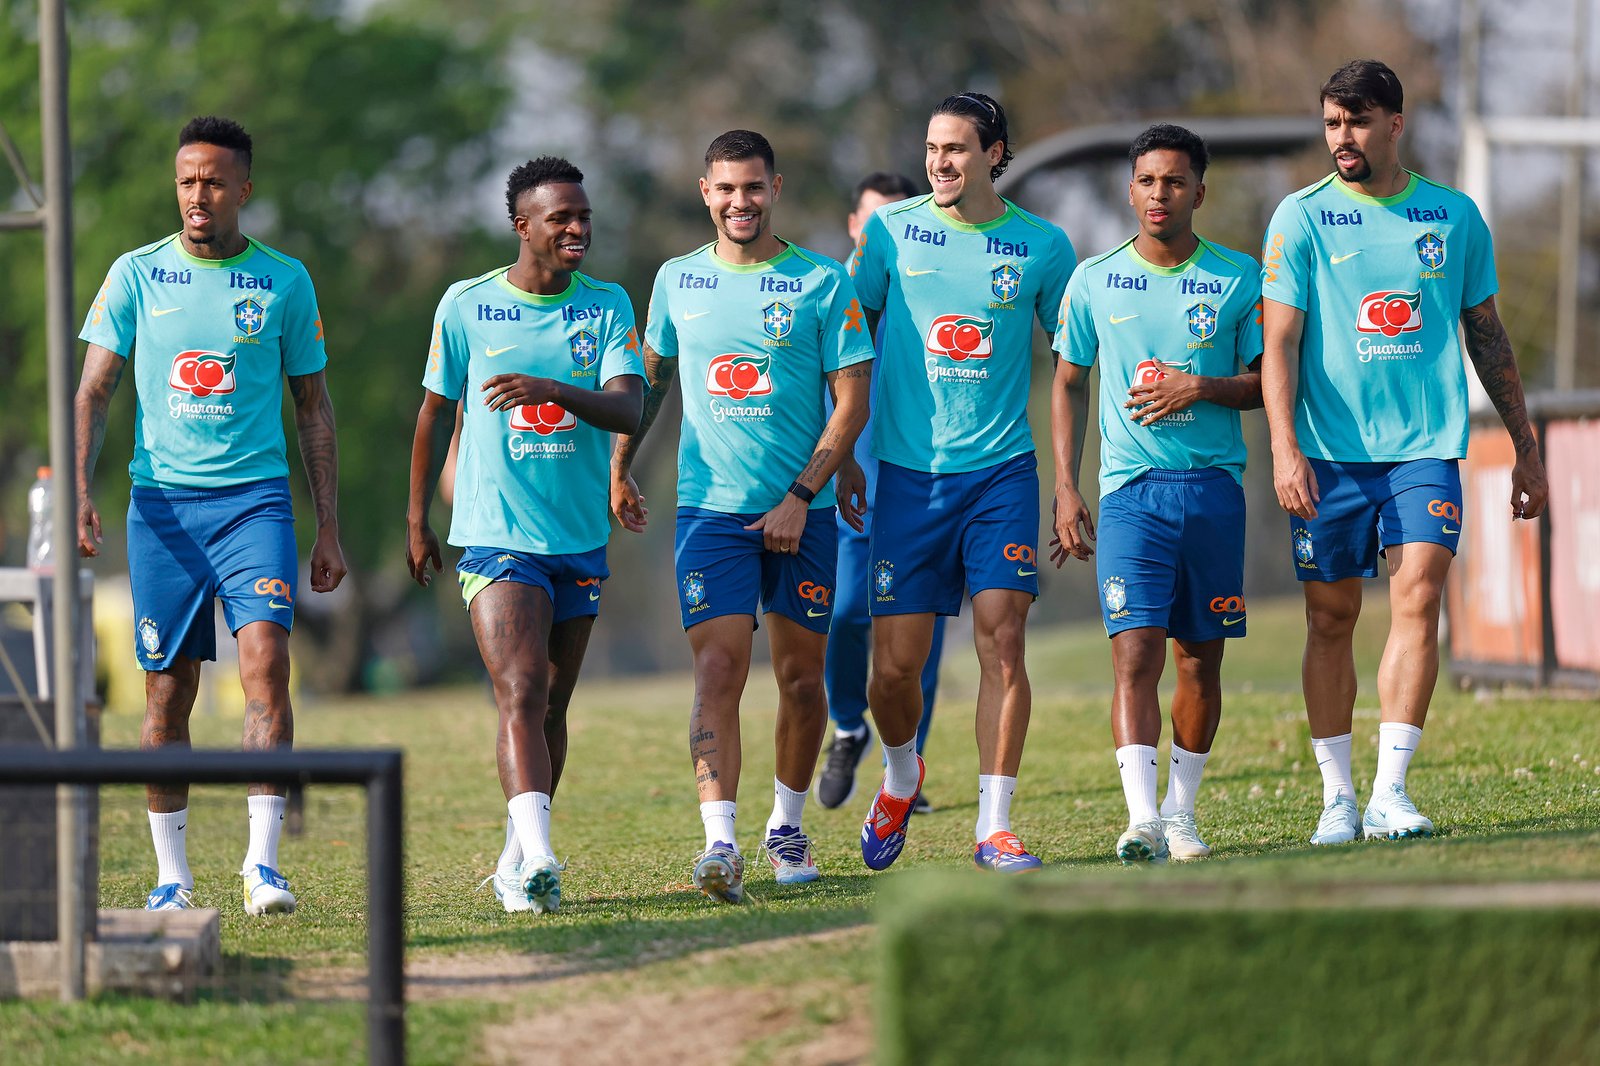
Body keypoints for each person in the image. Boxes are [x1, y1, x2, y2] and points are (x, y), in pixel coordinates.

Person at [1260, 60, 1548, 844]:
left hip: (1423, 451)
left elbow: (1487, 336)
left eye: (1355, 122)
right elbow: (1277, 345)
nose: (1341, 139)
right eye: (1330, 124)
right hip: (1327, 453)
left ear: (1394, 123)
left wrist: (1526, 448)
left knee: (1418, 593)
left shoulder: (1452, 217)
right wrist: (1285, 449)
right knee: (1331, 618)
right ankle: (1337, 799)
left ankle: (1390, 793)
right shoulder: (1299, 216)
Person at [74, 116, 346, 914]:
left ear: (244, 190)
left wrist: (327, 525)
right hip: (160, 510)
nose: (200, 193)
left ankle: (263, 866)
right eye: (188, 179)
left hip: (253, 503)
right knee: (167, 697)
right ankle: (172, 877)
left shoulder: (284, 281)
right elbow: (93, 390)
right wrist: (85, 490)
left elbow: (314, 407)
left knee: (266, 665)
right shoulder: (136, 274)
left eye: (215, 181)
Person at [611, 130, 873, 904]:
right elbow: (650, 383)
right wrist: (621, 466)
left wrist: (801, 495)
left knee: (800, 680)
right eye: (725, 189)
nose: (739, 202)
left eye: (752, 188)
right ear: (705, 192)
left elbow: (851, 399)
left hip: (806, 515)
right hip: (709, 514)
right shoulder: (674, 282)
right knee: (717, 671)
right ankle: (719, 843)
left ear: (775, 189)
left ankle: (786, 825)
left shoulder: (822, 283)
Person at [406, 157, 643, 914]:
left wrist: (548, 390)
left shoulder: (605, 306)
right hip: (494, 534)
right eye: (560, 218)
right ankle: (542, 854)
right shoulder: (467, 304)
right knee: (519, 687)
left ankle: (515, 859)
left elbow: (627, 409)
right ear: (522, 227)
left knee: (552, 706)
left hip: (576, 538)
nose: (577, 229)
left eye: (584, 216)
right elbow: (432, 415)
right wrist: (417, 521)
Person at [849, 92, 1076, 873]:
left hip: (1002, 474)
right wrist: (841, 454)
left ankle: (994, 827)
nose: (940, 162)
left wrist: (1073, 480)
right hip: (909, 480)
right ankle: (902, 774)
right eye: (932, 148)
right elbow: (849, 351)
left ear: (994, 153)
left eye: (956, 149)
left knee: (1003, 643)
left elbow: (1073, 367)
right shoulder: (889, 233)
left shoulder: (1045, 247)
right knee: (893, 672)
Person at [1051, 124, 1263, 864]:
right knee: (1134, 653)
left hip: (1211, 490)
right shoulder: (1094, 278)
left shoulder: (1238, 278)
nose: (1159, 193)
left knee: (1200, 660)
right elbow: (1068, 384)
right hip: (1130, 495)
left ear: (1198, 192)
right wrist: (1067, 486)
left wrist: (1198, 386)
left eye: (1174, 181)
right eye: (1147, 180)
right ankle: (1141, 818)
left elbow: (1270, 382)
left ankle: (1181, 813)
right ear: (1129, 188)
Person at [814, 171, 949, 816]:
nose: (887, 235)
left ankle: (907, 762)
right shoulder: (827, 289)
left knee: (919, 621)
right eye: (875, 223)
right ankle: (848, 725)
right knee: (845, 612)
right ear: (853, 227)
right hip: (853, 478)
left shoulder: (932, 282)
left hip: (923, 478)